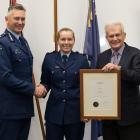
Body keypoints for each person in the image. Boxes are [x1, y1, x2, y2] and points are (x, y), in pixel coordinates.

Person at [0, 3, 45, 140]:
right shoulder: (3, 43)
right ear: (6, 20)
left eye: (23, 19)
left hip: (24, 108)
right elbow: (5, 76)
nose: (20, 22)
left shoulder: (23, 41)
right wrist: (33, 89)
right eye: (17, 18)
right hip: (9, 110)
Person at [40, 27, 89, 140]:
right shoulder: (49, 59)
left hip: (76, 115)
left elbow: (87, 88)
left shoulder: (82, 60)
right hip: (54, 114)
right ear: (57, 41)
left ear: (73, 41)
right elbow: (45, 82)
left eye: (69, 39)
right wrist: (42, 89)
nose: (66, 42)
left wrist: (87, 111)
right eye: (63, 39)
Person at [96, 22, 140, 140]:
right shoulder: (101, 57)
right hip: (108, 119)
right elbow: (96, 84)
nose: (115, 38)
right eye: (111, 36)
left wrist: (119, 69)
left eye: (117, 35)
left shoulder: (135, 53)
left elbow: (138, 77)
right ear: (106, 38)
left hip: (129, 118)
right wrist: (96, 109)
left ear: (124, 35)